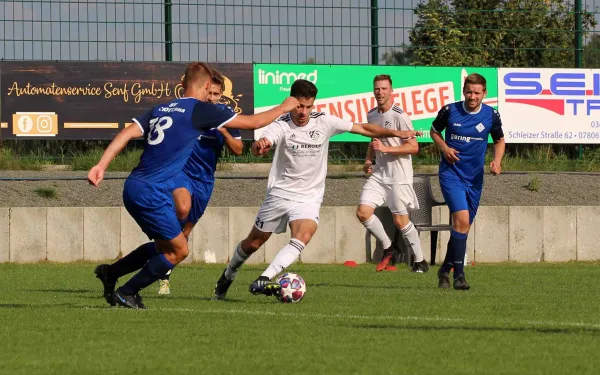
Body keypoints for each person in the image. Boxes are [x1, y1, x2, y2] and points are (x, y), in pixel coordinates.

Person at [89, 61, 298, 309]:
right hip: (152, 191)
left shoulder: (162, 108)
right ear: (208, 85)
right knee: (179, 251)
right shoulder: (200, 110)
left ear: (182, 84)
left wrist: (101, 165)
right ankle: (127, 292)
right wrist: (285, 106)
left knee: (165, 246)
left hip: (134, 186)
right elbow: (253, 123)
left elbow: (125, 134)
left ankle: (112, 274)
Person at [212, 79, 422, 300]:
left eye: (308, 106)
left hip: (309, 197)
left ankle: (266, 277)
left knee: (304, 234)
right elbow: (262, 143)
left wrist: (396, 134)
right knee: (253, 243)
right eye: (299, 106)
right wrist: (259, 146)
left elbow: (363, 128)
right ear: (291, 102)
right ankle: (228, 275)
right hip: (280, 194)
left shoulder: (325, 122)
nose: (303, 112)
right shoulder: (281, 124)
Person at [156, 69, 244, 295]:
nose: (211, 98)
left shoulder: (226, 115)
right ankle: (159, 262)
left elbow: (238, 150)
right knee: (181, 210)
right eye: (210, 92)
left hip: (204, 180)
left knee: (184, 233)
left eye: (216, 94)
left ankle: (163, 272)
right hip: (181, 172)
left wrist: (224, 132)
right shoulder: (189, 111)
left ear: (221, 94)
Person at [430, 73, 505, 290]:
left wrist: (497, 161)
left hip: (474, 179)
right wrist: (444, 148)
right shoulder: (450, 110)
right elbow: (434, 131)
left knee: (463, 227)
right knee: (461, 220)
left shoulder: (491, 115)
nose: (472, 96)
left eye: (477, 92)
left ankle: (444, 270)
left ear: (484, 93)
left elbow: (499, 140)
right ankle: (459, 276)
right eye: (469, 92)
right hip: (451, 174)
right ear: (464, 91)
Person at [356, 74, 428, 273]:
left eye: (384, 89)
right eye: (377, 89)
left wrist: (387, 150)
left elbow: (413, 147)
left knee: (400, 221)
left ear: (391, 91)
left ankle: (420, 261)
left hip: (398, 175)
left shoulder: (399, 115)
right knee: (362, 212)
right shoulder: (372, 115)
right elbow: (373, 141)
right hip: (380, 174)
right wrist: (368, 160)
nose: (380, 92)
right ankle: (389, 248)